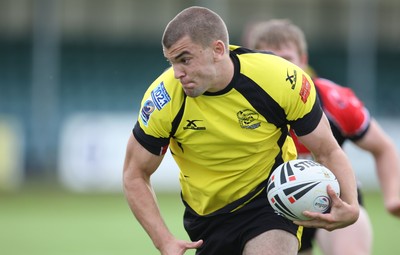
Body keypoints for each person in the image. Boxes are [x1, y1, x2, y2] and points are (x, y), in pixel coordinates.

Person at [123, 6, 360, 255]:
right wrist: (164, 240)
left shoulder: (279, 78)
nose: (177, 73)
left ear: (218, 49)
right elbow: (135, 173)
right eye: (172, 62)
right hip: (207, 219)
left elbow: (327, 150)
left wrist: (351, 205)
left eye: (185, 59)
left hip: (269, 202)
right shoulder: (163, 99)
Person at [243, 19, 400, 255]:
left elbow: (383, 147)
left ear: (303, 61)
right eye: (270, 61)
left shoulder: (334, 100)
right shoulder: (243, 110)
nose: (279, 70)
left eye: (286, 60)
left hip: (338, 199)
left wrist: (393, 196)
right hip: (274, 210)